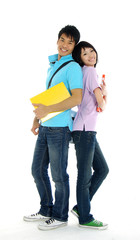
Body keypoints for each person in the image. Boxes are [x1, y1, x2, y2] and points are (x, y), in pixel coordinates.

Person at [23, 25, 83, 230]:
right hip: (46, 126)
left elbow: (76, 98)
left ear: (74, 46)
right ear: (57, 40)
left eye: (70, 42)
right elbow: (50, 98)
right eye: (62, 40)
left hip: (59, 129)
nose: (64, 45)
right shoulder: (52, 65)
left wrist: (47, 109)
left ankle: (60, 216)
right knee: (37, 169)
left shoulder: (73, 67)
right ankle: (46, 209)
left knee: (58, 174)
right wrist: (37, 119)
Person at [71, 41, 109, 230]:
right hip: (85, 131)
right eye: (85, 54)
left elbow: (97, 106)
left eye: (92, 51)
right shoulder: (91, 72)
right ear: (80, 59)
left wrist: (102, 96)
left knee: (102, 169)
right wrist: (103, 94)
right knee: (85, 176)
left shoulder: (85, 73)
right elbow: (101, 105)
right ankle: (85, 217)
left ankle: (80, 207)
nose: (90, 55)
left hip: (86, 130)